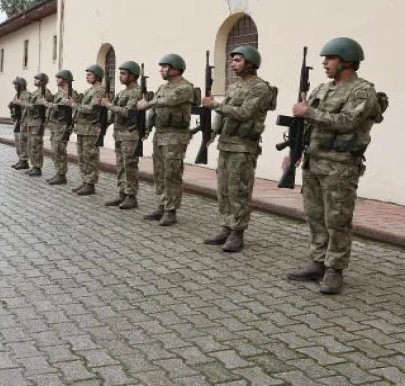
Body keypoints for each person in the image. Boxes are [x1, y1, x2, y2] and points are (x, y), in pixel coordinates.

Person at [286, 37, 386, 295]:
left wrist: (307, 112)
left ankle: (335, 270)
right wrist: (295, 151)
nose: (324, 63)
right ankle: (318, 263)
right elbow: (307, 125)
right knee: (315, 216)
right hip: (314, 162)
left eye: (329, 58)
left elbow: (347, 122)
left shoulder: (362, 91)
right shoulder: (322, 88)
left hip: (340, 166)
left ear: (347, 62)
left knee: (337, 220)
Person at [201, 45, 275, 253]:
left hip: (243, 147)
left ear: (250, 63)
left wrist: (213, 104)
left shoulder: (260, 88)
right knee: (223, 189)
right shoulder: (234, 87)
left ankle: (238, 232)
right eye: (232, 60)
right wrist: (212, 133)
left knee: (239, 189)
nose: (233, 64)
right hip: (226, 143)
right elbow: (223, 114)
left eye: (237, 60)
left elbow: (244, 113)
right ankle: (227, 225)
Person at [137, 54, 197, 226]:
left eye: (164, 67)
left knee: (172, 174)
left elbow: (168, 101)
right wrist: (147, 128)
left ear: (175, 68)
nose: (161, 70)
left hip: (175, 136)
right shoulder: (163, 87)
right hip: (160, 134)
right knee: (159, 172)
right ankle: (162, 205)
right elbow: (155, 110)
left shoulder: (185, 87)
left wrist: (147, 104)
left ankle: (171, 210)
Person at [100, 61, 143, 210]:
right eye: (120, 73)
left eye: (123, 74)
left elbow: (128, 112)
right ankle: (122, 193)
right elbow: (113, 115)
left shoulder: (138, 92)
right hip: (119, 135)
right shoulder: (121, 93)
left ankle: (131, 196)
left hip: (130, 135)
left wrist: (108, 105)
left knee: (129, 165)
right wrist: (104, 125)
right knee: (120, 165)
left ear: (133, 75)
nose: (120, 76)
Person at [67, 65, 106, 196]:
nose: (87, 76)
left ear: (97, 76)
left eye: (89, 74)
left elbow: (91, 109)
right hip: (82, 128)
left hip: (91, 129)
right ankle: (85, 180)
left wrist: (74, 105)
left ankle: (90, 184)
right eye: (87, 74)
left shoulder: (100, 90)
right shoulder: (90, 90)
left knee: (90, 157)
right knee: (82, 156)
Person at [41, 70, 73, 185]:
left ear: (64, 79)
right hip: (55, 125)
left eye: (58, 78)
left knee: (59, 150)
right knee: (55, 150)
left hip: (62, 126)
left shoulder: (68, 93)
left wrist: (46, 104)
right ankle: (58, 172)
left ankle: (61, 175)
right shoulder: (59, 93)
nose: (56, 80)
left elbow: (61, 108)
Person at [21, 73, 52, 177]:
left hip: (38, 122)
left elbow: (39, 106)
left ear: (43, 81)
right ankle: (34, 166)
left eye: (37, 79)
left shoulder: (45, 92)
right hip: (31, 122)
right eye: (35, 79)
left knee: (36, 145)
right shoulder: (35, 92)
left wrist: (26, 104)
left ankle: (38, 167)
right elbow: (33, 105)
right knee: (31, 144)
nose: (35, 80)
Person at [9, 77, 31, 170]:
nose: (15, 86)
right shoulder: (17, 94)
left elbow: (30, 106)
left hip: (24, 121)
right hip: (18, 120)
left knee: (23, 141)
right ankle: (20, 159)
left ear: (22, 85)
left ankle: (24, 160)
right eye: (14, 84)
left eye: (16, 84)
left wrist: (20, 103)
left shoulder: (27, 94)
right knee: (17, 140)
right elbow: (14, 105)